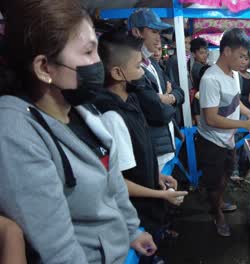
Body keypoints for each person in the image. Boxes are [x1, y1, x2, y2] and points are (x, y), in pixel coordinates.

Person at [0, 1, 156, 263]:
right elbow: (56, 248)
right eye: (88, 52)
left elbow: (113, 181)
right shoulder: (16, 133)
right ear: (44, 68)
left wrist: (131, 230)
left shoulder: (82, 110)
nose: (98, 63)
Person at [95, 31, 188, 263]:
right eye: (138, 66)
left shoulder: (131, 99)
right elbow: (118, 182)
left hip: (146, 205)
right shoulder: (112, 116)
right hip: (134, 213)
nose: (142, 71)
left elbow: (139, 154)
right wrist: (161, 195)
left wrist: (156, 175)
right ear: (118, 73)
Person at [197, 28, 250, 237]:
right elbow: (211, 118)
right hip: (211, 142)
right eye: (241, 56)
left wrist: (249, 114)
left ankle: (219, 201)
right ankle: (217, 213)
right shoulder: (211, 79)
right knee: (215, 182)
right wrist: (244, 126)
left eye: (247, 56)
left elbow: (236, 102)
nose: (245, 61)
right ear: (226, 51)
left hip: (227, 139)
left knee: (225, 176)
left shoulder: (233, 74)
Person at [128, 8, 185, 171]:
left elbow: (180, 92)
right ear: (136, 32)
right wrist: (166, 102)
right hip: (152, 149)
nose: (158, 38)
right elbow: (159, 112)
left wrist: (167, 98)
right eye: (153, 31)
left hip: (166, 144)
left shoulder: (152, 64)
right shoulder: (133, 69)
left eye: (159, 32)